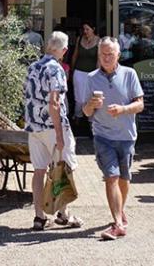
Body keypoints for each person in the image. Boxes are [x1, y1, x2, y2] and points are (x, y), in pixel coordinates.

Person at [83, 37, 145, 241]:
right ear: (98, 55)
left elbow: (140, 104)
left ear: (118, 55)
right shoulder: (91, 78)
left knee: (124, 180)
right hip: (103, 136)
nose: (106, 58)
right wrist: (91, 104)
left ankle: (120, 210)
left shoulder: (130, 74)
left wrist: (123, 109)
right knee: (111, 178)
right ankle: (117, 223)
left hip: (126, 137)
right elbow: (85, 111)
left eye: (110, 54)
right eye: (103, 54)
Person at [24, 31, 82, 231]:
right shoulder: (56, 69)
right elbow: (55, 103)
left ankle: (39, 216)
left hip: (34, 127)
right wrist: (59, 133)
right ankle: (64, 214)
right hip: (51, 126)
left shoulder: (32, 66)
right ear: (64, 50)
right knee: (63, 168)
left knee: (39, 171)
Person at [69, 21, 99, 116]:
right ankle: (78, 116)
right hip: (79, 71)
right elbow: (75, 55)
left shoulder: (99, 41)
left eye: (87, 29)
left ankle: (90, 118)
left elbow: (99, 59)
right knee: (79, 98)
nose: (85, 31)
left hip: (92, 72)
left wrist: (98, 74)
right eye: (84, 29)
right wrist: (72, 70)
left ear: (93, 29)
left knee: (90, 96)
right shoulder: (80, 39)